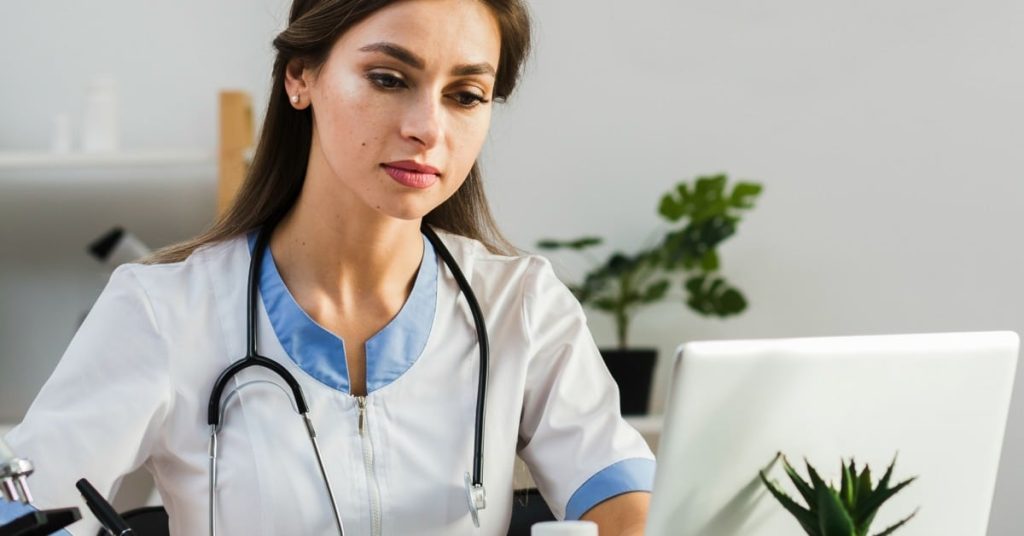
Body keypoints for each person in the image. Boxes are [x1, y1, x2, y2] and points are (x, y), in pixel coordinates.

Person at [0, 0, 655, 534]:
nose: (429, 128)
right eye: (388, 79)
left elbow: (624, 499)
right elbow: (25, 509)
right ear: (300, 77)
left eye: (466, 94)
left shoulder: (521, 305)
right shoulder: (164, 309)